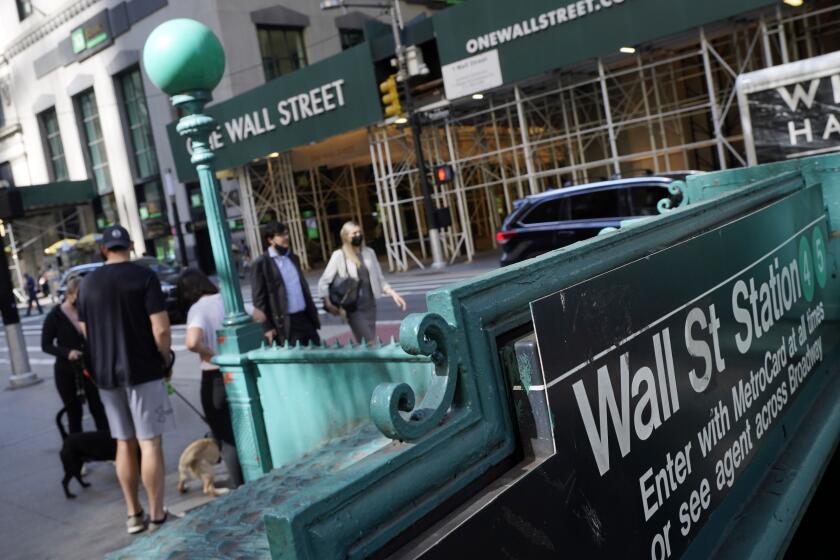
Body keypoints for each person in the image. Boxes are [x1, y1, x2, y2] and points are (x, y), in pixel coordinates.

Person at [77, 225, 174, 535]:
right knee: (150, 442)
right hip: (143, 369)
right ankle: (157, 514)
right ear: (129, 247)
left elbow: (85, 331)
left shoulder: (87, 284)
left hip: (106, 374)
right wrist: (165, 357)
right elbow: (160, 328)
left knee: (123, 442)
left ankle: (133, 513)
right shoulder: (144, 277)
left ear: (104, 249)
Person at [177, 268, 265, 488]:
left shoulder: (197, 309)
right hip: (239, 372)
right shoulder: (228, 301)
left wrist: (212, 354)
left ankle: (241, 486)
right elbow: (259, 316)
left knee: (228, 439)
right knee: (249, 428)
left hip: (214, 377)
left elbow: (191, 342)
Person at [318, 221, 406, 344]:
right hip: (353, 308)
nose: (358, 235)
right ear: (346, 237)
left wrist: (394, 294)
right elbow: (323, 281)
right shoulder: (339, 255)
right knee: (370, 342)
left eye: (359, 232)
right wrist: (327, 302)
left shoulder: (369, 253)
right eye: (354, 233)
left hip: (370, 305)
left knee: (366, 343)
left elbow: (379, 279)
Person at [41, 276, 109, 434]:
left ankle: (108, 446)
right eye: (80, 295)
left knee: (97, 408)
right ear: (69, 294)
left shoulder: (88, 311)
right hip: (66, 370)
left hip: (88, 367)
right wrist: (67, 352)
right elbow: (46, 345)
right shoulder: (55, 316)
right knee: (74, 413)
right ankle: (77, 452)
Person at [251, 221, 321, 346]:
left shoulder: (294, 258)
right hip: (285, 322)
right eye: (281, 235)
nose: (286, 237)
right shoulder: (262, 263)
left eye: (286, 234)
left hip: (305, 317)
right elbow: (259, 299)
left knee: (318, 353)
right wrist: (267, 327)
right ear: (270, 240)